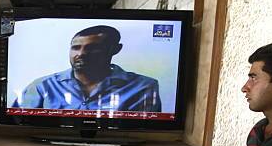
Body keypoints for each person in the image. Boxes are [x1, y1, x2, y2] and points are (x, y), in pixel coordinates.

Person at [13, 25, 161, 111]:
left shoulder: (143, 86)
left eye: (93, 48)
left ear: (115, 49)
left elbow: (144, 131)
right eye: (76, 48)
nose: (81, 54)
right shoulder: (41, 86)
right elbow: (16, 126)